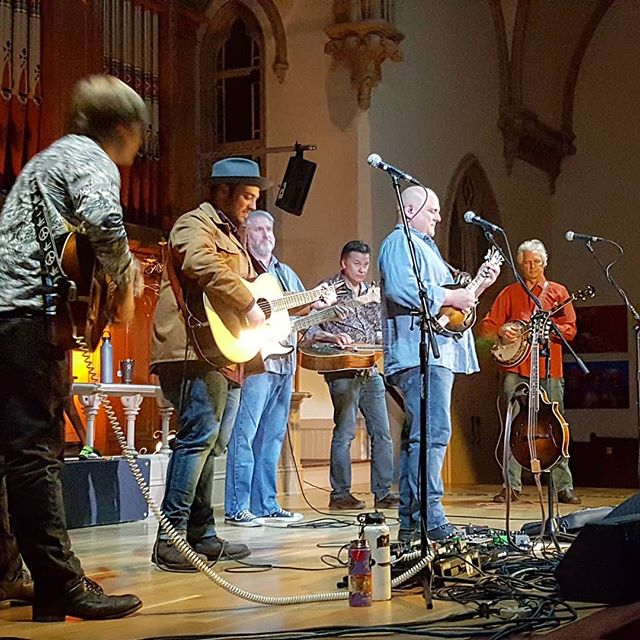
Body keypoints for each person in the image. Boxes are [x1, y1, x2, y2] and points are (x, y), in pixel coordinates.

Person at [0, 74, 145, 621]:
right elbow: (105, 221)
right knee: (37, 455)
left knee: (6, 454)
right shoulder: (90, 158)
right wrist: (125, 282)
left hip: (4, 316)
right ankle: (60, 585)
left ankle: (7, 572)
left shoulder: (42, 161)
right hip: (32, 319)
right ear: (127, 129)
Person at [150, 157, 270, 571]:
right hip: (190, 348)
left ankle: (201, 534)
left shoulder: (232, 235)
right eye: (247, 197)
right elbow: (199, 263)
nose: (251, 207)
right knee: (198, 437)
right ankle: (170, 540)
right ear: (222, 191)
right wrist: (249, 302)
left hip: (223, 352)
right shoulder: (192, 223)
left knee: (213, 444)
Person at [379, 186, 500, 542]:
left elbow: (450, 313)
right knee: (432, 435)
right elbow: (402, 289)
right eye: (431, 210)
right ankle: (429, 518)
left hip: (436, 352)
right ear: (410, 208)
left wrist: (478, 288)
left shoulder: (427, 249)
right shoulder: (400, 242)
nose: (438, 216)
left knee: (426, 436)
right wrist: (451, 295)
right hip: (420, 355)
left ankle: (413, 525)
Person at [224, 210, 334, 526]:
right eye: (258, 229)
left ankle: (266, 504)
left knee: (271, 437)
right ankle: (237, 507)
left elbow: (298, 317)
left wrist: (318, 307)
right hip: (256, 361)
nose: (266, 235)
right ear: (245, 234)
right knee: (245, 435)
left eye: (269, 229)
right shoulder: (241, 270)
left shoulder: (285, 274)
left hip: (285, 362)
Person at [478, 238, 581, 505]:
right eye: (526, 263)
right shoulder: (510, 293)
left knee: (557, 425)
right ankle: (510, 485)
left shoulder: (558, 292)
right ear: (520, 266)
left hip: (550, 369)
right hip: (516, 367)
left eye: (536, 262)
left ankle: (562, 486)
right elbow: (487, 328)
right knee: (512, 425)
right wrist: (501, 330)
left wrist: (550, 332)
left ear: (544, 263)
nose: (531, 267)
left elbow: (571, 329)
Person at [302, 241, 399, 511]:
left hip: (369, 367)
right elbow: (308, 330)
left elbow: (378, 328)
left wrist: (384, 340)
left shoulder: (372, 293)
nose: (362, 269)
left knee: (382, 433)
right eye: (357, 263)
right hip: (342, 368)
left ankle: (383, 492)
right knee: (345, 432)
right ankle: (340, 494)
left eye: (366, 264)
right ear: (344, 263)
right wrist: (332, 336)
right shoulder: (328, 290)